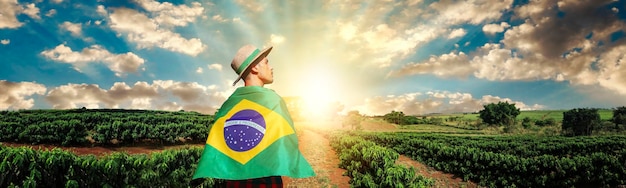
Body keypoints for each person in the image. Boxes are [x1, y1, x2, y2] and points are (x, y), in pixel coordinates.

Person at [192, 44, 315, 188]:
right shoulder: (273, 101)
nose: (271, 67)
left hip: (235, 181)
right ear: (255, 68)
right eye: (267, 62)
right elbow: (284, 140)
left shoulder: (229, 105)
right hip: (266, 179)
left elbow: (219, 145)